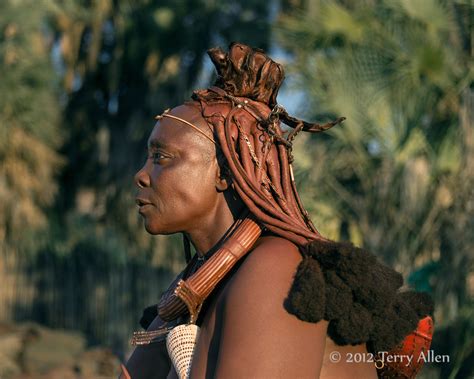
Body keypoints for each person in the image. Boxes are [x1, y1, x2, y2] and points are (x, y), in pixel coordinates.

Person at [122, 43, 434, 379]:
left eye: (162, 158)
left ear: (225, 172)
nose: (141, 175)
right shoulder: (196, 282)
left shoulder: (275, 269)